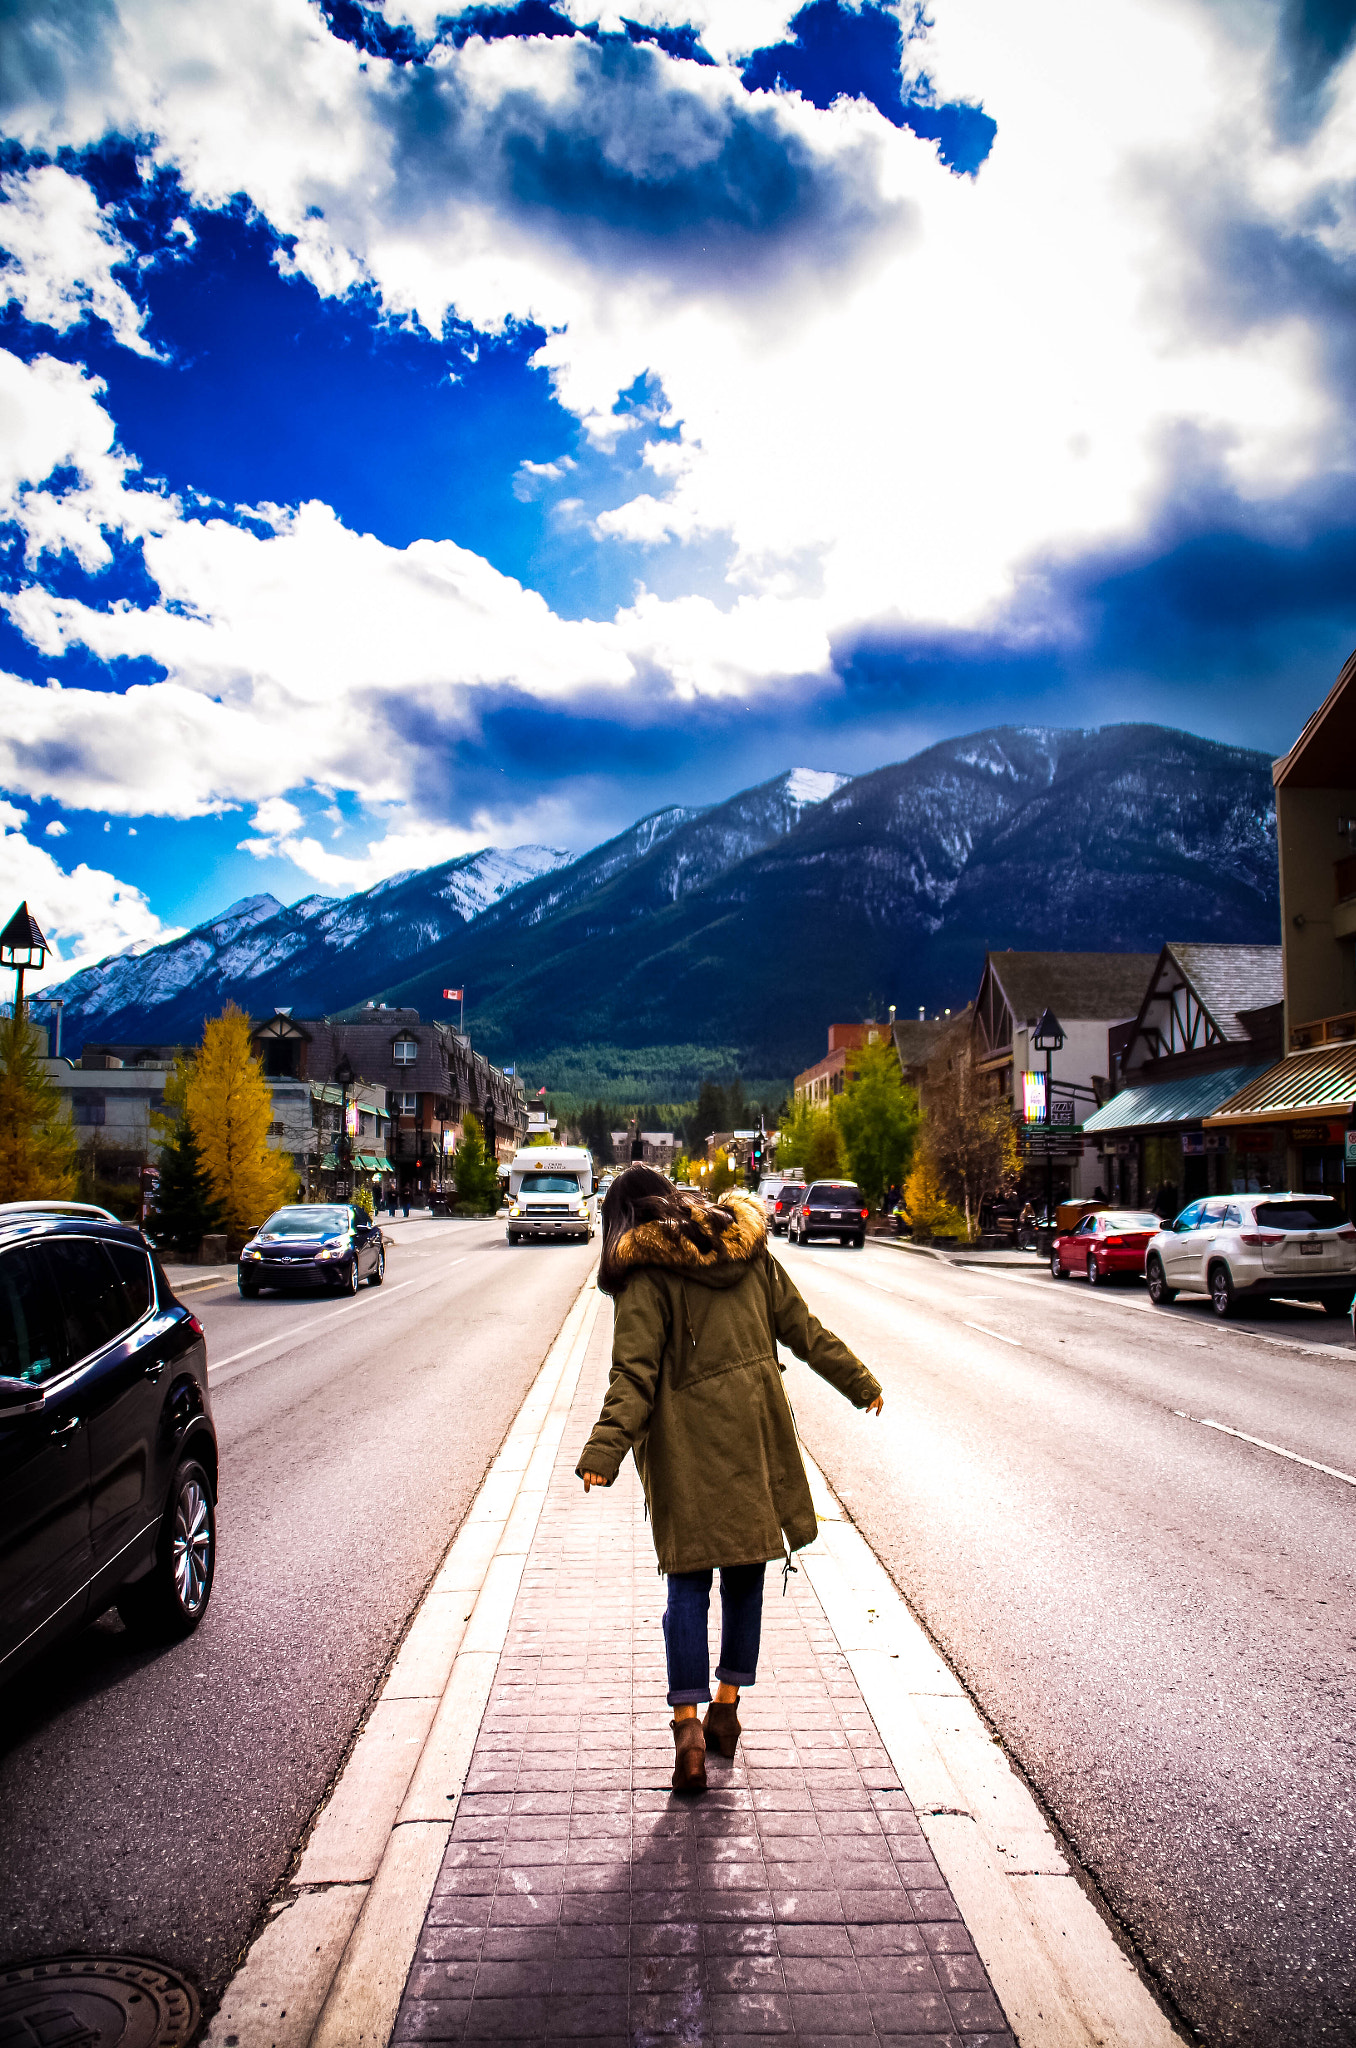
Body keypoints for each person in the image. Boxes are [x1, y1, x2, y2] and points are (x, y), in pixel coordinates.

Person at [577, 1166, 883, 1796]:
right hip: (754, 1439)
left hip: (686, 1452)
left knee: (687, 1584)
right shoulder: (747, 1248)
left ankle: (687, 1730)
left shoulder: (644, 1276)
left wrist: (604, 1451)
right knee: (747, 1575)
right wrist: (861, 1383)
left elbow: (633, 1377)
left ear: (623, 1223)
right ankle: (727, 1707)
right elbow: (805, 1332)